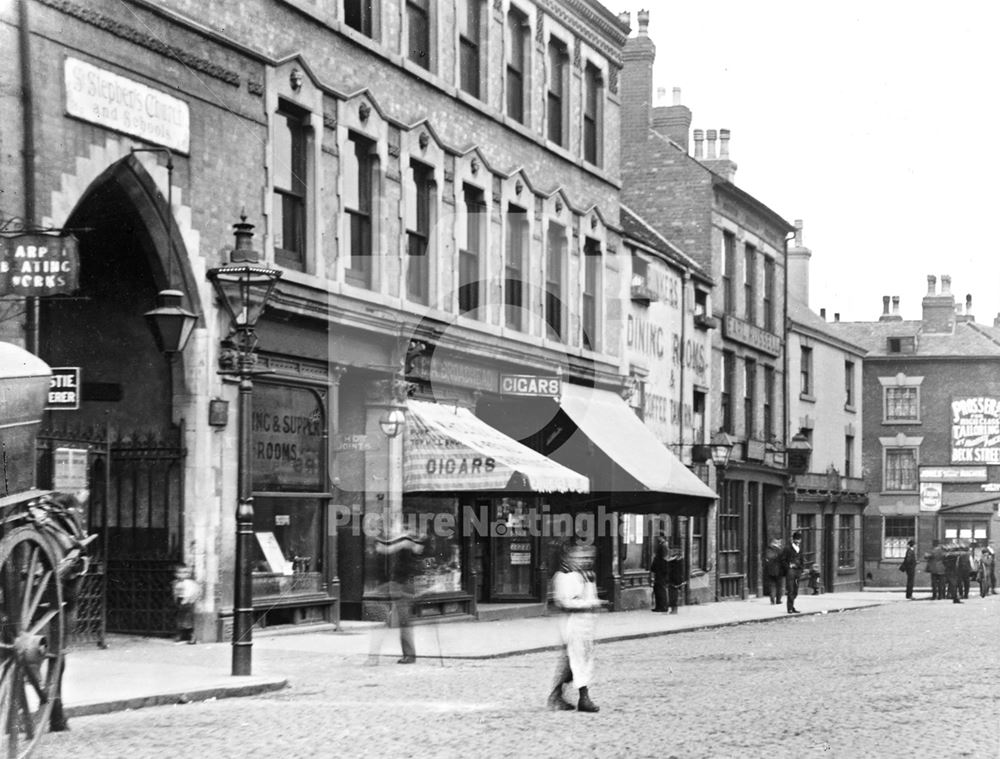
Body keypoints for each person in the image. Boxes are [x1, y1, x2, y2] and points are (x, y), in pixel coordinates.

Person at [548, 541, 603, 713]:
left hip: (585, 626)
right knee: (578, 661)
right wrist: (589, 604)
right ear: (567, 557)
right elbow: (564, 603)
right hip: (571, 626)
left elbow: (589, 597)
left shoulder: (584, 576)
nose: (583, 560)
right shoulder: (562, 576)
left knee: (575, 663)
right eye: (579, 557)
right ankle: (584, 699)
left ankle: (556, 696)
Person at [368, 531, 425, 664]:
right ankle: (409, 655)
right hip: (406, 585)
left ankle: (408, 655)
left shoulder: (407, 541)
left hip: (401, 585)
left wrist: (378, 543)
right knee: (404, 622)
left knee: (400, 621)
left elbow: (386, 549)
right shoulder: (415, 543)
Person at [172, 564, 201, 644]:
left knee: (187, 619)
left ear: (188, 574)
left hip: (187, 601)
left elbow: (193, 592)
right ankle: (181, 635)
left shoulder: (189, 583)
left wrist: (187, 600)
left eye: (185, 573)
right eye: (180, 573)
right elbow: (175, 593)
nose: (182, 575)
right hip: (179, 600)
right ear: (176, 574)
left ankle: (192, 636)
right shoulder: (175, 583)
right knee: (179, 618)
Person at [780, 531, 804, 614]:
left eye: (799, 539)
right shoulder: (787, 549)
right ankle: (789, 608)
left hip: (797, 571)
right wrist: (788, 567)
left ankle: (792, 606)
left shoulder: (800, 549)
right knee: (790, 590)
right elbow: (782, 560)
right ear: (793, 540)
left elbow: (801, 560)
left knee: (795, 591)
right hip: (790, 572)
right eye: (796, 539)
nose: (798, 541)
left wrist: (801, 569)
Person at [648, 534, 669, 612]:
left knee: (660, 588)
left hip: (661, 571)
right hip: (660, 570)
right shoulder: (663, 545)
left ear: (662, 537)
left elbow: (664, 559)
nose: (657, 538)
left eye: (658, 537)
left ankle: (662, 607)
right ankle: (660, 606)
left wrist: (662, 571)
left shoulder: (664, 545)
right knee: (658, 588)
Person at [665, 546, 685, 614]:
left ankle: (674, 610)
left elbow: (675, 571)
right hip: (673, 580)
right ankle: (673, 609)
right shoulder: (677, 560)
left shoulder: (676, 561)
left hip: (674, 580)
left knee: (673, 595)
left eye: (673, 552)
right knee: (672, 595)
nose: (671, 553)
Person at [764, 538, 783, 605]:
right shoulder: (780, 550)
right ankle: (778, 600)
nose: (780, 544)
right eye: (779, 543)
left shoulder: (769, 549)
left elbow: (767, 559)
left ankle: (772, 600)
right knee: (779, 586)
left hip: (770, 570)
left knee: (772, 585)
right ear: (776, 543)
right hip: (779, 570)